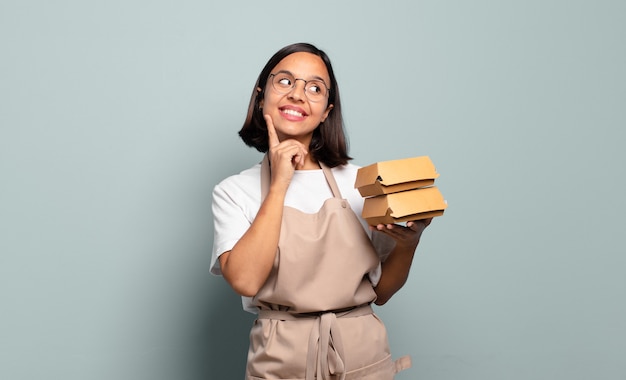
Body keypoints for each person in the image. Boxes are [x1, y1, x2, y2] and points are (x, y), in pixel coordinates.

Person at [211, 42, 432, 380]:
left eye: (314, 88)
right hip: (280, 360)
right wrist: (280, 183)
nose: (298, 94)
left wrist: (409, 242)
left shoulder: (358, 183)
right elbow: (245, 279)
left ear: (326, 111)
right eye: (285, 81)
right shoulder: (233, 191)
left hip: (362, 355)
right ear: (261, 96)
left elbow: (382, 292)